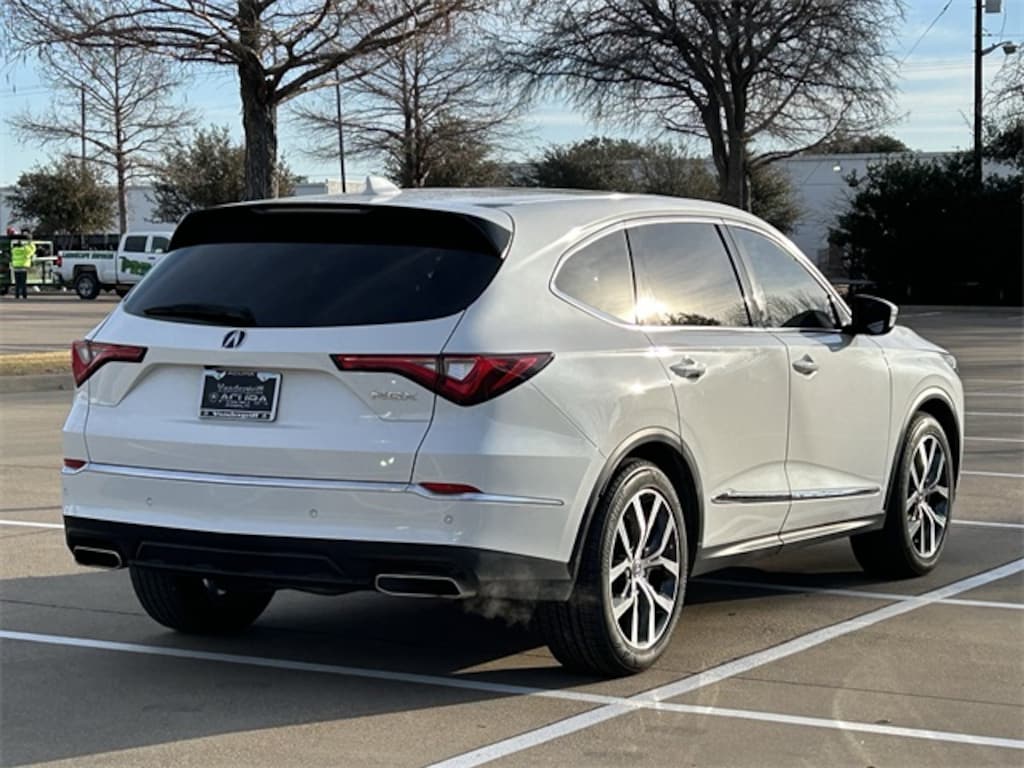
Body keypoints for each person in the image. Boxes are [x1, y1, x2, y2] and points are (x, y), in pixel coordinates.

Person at [11, 231, 35, 300]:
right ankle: (24, 295)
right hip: (23, 267)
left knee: (17, 283)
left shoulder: (14, 250)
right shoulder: (25, 250)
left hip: (16, 267)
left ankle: (17, 295)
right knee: (23, 282)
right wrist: (30, 242)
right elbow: (33, 250)